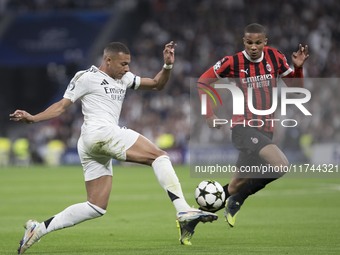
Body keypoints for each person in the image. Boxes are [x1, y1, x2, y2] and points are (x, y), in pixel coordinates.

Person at [10, 41, 218, 254]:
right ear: (107, 60)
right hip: (100, 133)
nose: (127, 68)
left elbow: (157, 84)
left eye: (128, 64)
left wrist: (167, 66)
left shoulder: (124, 78)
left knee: (96, 206)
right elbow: (61, 106)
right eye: (123, 64)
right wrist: (34, 118)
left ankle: (38, 229)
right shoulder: (86, 77)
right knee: (159, 157)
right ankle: (183, 210)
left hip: (90, 144)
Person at [197, 23, 309, 227]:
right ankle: (238, 200)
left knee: (235, 185)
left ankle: (192, 218)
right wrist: (208, 114)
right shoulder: (232, 62)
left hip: (266, 130)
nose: (254, 47)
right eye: (249, 42)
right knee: (281, 164)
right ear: (244, 42)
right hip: (243, 128)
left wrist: (298, 68)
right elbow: (203, 82)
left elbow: (296, 89)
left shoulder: (275, 57)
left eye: (258, 42)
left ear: (265, 42)